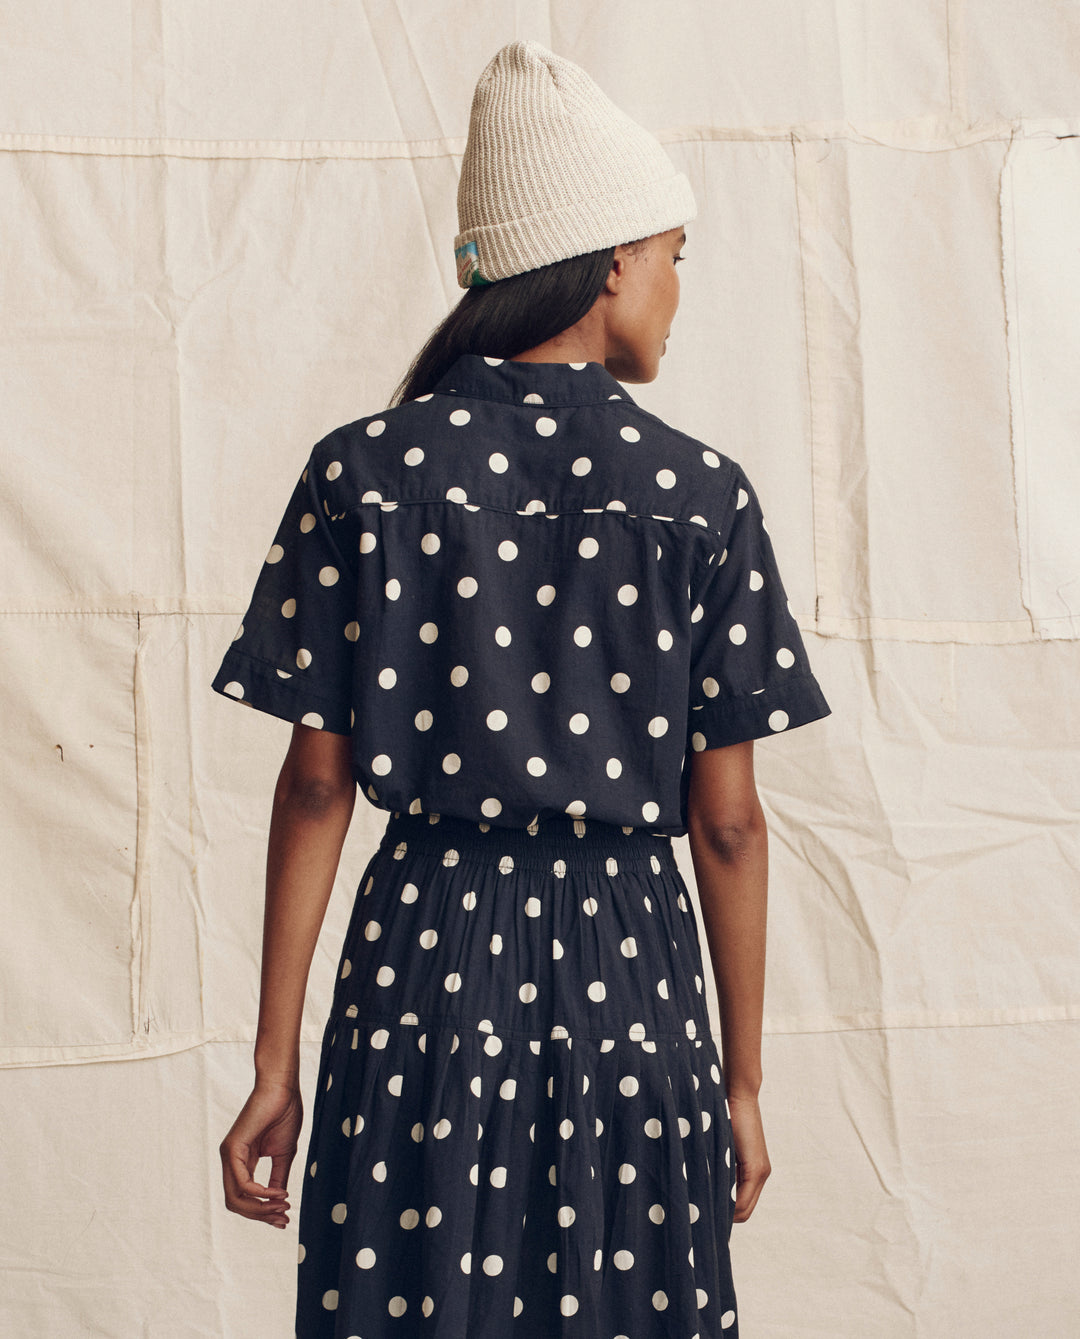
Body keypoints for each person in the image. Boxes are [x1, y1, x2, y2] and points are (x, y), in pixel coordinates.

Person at [214, 39, 829, 1339]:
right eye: (673, 256)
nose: (677, 290)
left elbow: (317, 787)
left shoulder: (362, 474)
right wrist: (742, 1080)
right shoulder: (700, 497)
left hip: (420, 964)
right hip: (632, 970)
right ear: (611, 261)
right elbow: (726, 825)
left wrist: (275, 1061)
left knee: (415, 1300)